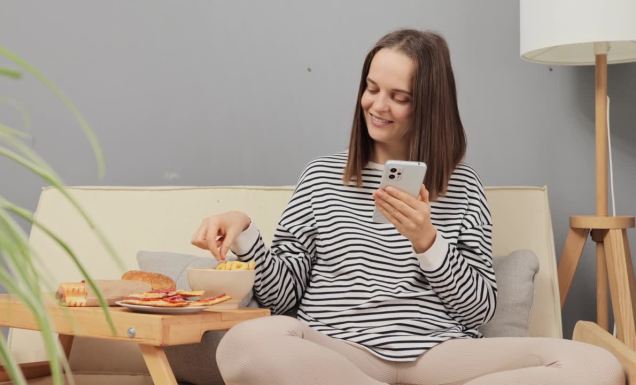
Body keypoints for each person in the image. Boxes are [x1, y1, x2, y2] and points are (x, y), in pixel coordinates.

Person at [191, 29, 623, 385]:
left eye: (399, 97)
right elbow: (282, 298)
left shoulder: (464, 186)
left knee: (596, 366)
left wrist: (427, 242)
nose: (377, 106)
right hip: (335, 354)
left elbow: (479, 310)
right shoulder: (322, 177)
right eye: (372, 88)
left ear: (428, 106)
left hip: (440, 357)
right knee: (245, 343)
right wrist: (246, 233)